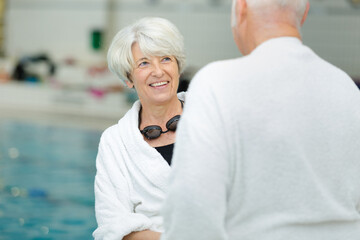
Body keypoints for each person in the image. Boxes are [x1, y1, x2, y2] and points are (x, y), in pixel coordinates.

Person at [161, 0, 360, 239]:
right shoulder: (346, 89)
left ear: (241, 8)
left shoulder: (217, 83)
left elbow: (192, 207)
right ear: (305, 12)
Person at [93, 17, 186, 240]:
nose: (158, 71)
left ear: (178, 66)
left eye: (165, 59)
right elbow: (112, 227)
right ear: (128, 78)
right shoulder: (115, 141)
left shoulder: (211, 118)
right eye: (144, 63)